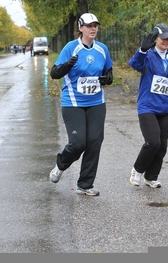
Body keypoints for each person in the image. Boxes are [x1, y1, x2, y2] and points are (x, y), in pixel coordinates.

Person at [49, 12, 113, 196]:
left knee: (94, 141)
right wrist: (67, 65)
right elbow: (54, 73)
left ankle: (85, 184)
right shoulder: (71, 48)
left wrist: (107, 79)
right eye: (89, 25)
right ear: (80, 28)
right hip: (73, 102)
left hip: (96, 102)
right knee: (78, 143)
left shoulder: (102, 49)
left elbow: (109, 73)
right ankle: (60, 166)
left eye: (95, 25)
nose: (93, 29)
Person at [128, 23, 168, 188]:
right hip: (148, 106)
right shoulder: (148, 56)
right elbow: (135, 64)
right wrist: (142, 50)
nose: (167, 40)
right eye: (163, 37)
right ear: (155, 38)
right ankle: (137, 170)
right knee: (153, 141)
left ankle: (151, 177)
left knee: (162, 144)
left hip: (167, 108)